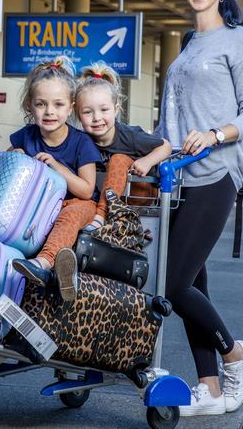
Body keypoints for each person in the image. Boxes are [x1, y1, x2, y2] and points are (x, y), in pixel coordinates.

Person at [155, 0, 243, 417]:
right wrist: (150, 156)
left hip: (216, 173)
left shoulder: (240, 41)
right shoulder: (186, 45)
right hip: (176, 179)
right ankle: (210, 388)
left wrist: (216, 135)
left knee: (173, 282)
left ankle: (233, 355)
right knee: (192, 282)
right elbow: (170, 126)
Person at [9, 56, 101, 302]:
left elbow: (86, 190)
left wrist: (58, 167)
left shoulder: (81, 142)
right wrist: (14, 157)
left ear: (70, 107)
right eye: (41, 104)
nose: (50, 111)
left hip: (77, 204)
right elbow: (5, 172)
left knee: (70, 213)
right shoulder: (25, 138)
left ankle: (45, 262)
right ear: (30, 105)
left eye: (58, 105)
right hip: (40, 207)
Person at [74, 61, 172, 231]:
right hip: (103, 199)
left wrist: (147, 161)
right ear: (78, 114)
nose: (97, 117)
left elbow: (166, 146)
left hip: (138, 194)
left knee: (118, 159)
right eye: (88, 112)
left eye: (104, 110)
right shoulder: (81, 141)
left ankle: (102, 215)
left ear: (116, 109)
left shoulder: (130, 136)